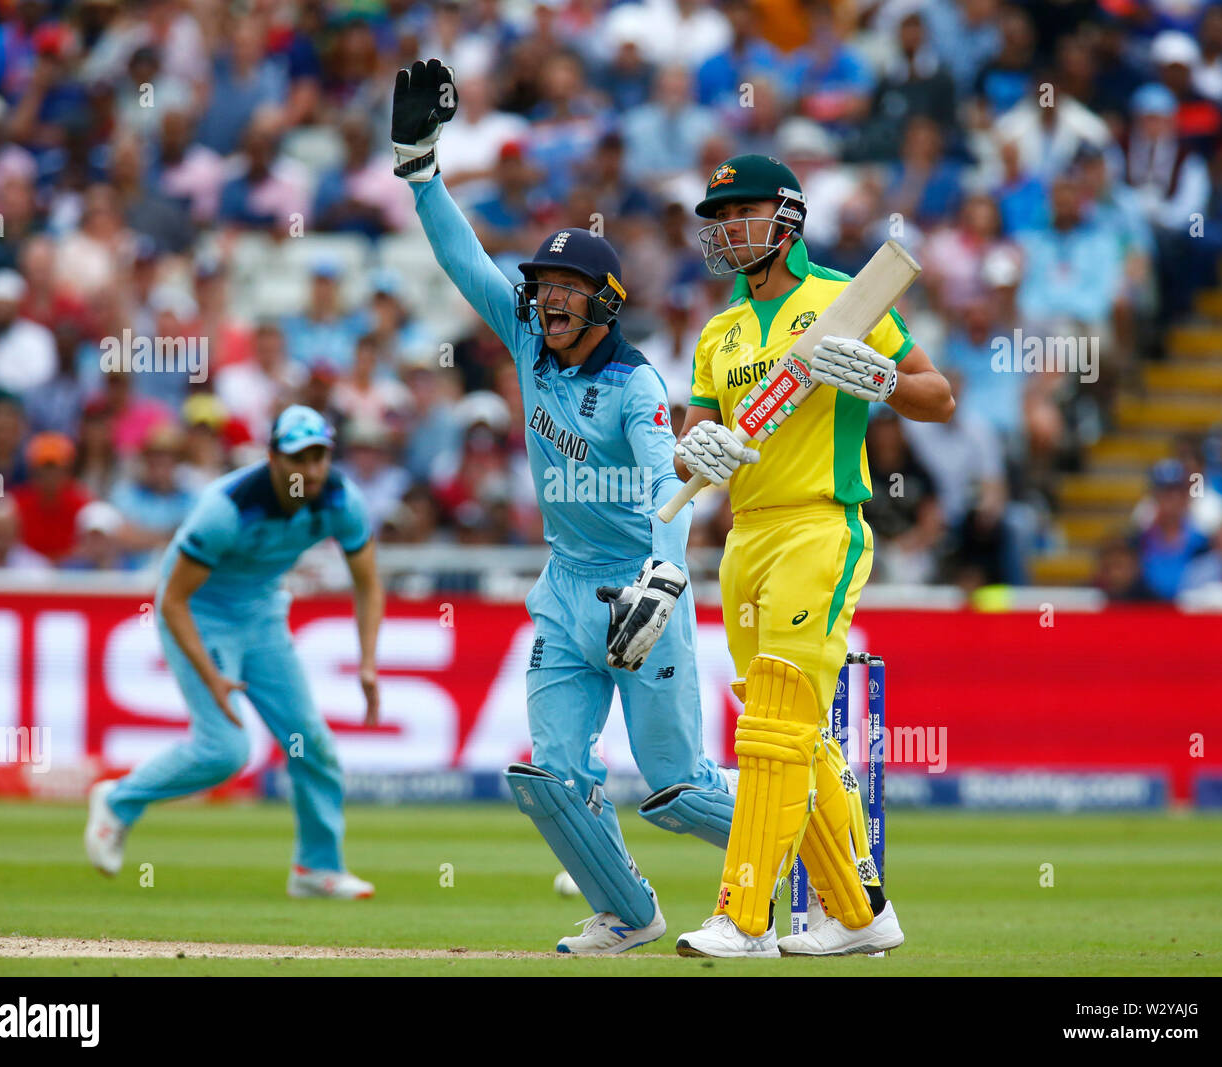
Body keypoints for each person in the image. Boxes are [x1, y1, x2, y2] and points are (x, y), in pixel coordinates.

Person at [395, 59, 735, 954]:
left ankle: (808, 846)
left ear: (604, 301)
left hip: (642, 592)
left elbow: (675, 482)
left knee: (678, 790)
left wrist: (665, 572)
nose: (546, 300)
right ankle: (630, 913)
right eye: (542, 288)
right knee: (550, 775)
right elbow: (462, 258)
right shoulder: (527, 339)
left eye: (565, 291)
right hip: (564, 588)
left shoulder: (635, 384)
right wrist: (422, 169)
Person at [671, 153, 955, 958]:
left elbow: (940, 396)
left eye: (741, 210)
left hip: (822, 526)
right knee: (796, 732)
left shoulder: (844, 299)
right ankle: (861, 914)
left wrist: (884, 379)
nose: (726, 227)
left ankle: (745, 916)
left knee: (770, 723)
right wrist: (702, 450)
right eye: (718, 215)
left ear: (785, 217)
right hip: (745, 536)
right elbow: (687, 450)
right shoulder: (719, 331)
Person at [83, 406, 385, 899]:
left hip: (262, 613)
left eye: (319, 457)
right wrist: (213, 675)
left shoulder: (339, 498)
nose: (310, 472)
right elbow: (173, 598)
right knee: (225, 751)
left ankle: (316, 868)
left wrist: (368, 662)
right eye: (298, 459)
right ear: (271, 458)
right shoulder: (226, 508)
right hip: (200, 615)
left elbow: (368, 583)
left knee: (312, 743)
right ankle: (119, 800)